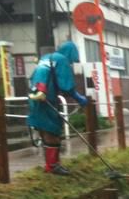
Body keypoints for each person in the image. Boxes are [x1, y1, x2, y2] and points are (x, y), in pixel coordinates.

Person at [28, 41, 89, 176]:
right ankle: (53, 166)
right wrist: (81, 99)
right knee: (53, 132)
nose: (72, 63)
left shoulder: (46, 58)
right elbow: (67, 87)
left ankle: (50, 165)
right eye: (73, 59)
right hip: (46, 98)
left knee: (45, 131)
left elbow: (32, 77)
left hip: (34, 96)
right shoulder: (62, 60)